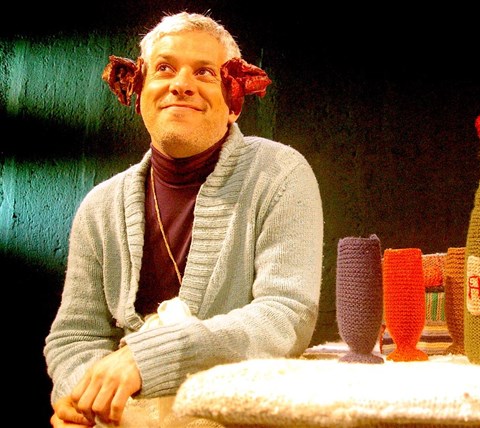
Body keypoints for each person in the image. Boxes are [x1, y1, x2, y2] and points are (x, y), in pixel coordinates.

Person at [44, 11, 324, 427]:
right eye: (164, 68)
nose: (181, 84)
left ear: (233, 100)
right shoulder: (99, 207)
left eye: (204, 72)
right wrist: (86, 395)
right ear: (137, 90)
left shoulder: (279, 175)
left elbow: (286, 316)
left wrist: (149, 359)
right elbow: (75, 336)